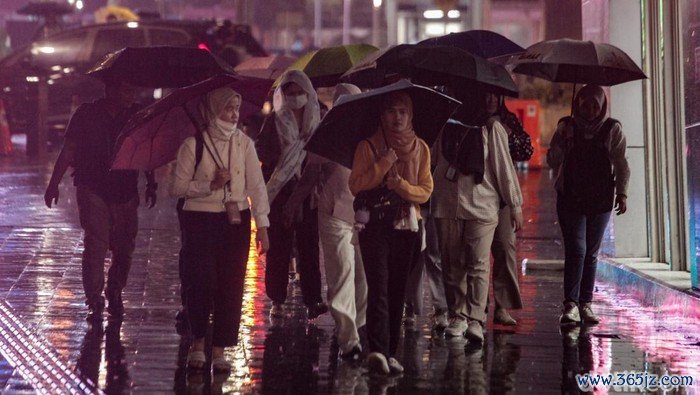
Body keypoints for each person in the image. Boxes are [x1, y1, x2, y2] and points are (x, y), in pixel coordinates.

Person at [171, 87, 270, 371]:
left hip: (235, 220)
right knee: (199, 281)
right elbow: (176, 187)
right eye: (227, 108)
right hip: (200, 219)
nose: (233, 114)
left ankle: (220, 349)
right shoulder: (194, 145)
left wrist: (262, 225)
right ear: (213, 110)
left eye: (236, 108)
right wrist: (209, 186)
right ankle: (198, 342)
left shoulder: (244, 144)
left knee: (231, 284)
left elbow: (257, 187)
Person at [44, 77, 156, 322]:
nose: (131, 96)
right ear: (111, 89)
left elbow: (146, 150)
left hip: (125, 190)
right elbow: (69, 149)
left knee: (124, 248)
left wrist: (151, 182)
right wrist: (53, 184)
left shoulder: (137, 115)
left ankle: (114, 289)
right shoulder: (87, 114)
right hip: (92, 186)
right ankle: (94, 297)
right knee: (95, 244)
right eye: (127, 90)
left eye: (133, 91)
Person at [349, 91, 433, 375]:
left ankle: (390, 351)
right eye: (390, 111)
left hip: (407, 226)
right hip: (375, 225)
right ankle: (377, 351)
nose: (396, 117)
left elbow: (425, 191)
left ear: (410, 116)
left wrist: (401, 186)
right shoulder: (368, 147)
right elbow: (356, 185)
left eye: (402, 112)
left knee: (397, 290)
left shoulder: (420, 148)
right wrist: (384, 162)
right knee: (379, 287)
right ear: (381, 115)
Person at [432, 88, 523, 344]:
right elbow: (432, 160)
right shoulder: (444, 126)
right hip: (447, 205)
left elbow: (504, 169)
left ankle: (475, 318)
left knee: (478, 263)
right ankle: (457, 315)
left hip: (482, 205)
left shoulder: (493, 129)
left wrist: (515, 205)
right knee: (451, 264)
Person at [284, 83, 367, 361]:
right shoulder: (328, 132)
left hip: (363, 215)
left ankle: (360, 328)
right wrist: (293, 203)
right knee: (341, 272)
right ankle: (349, 339)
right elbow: (310, 174)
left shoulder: (369, 133)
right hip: (333, 213)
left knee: (363, 279)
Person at [547, 84, 629, 325]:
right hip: (571, 197)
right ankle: (570, 304)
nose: (591, 109)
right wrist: (564, 141)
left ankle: (586, 304)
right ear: (578, 104)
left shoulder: (612, 129)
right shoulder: (566, 127)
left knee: (591, 254)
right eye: (585, 104)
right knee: (577, 249)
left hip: (600, 199)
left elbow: (622, 164)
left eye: (595, 104)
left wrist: (622, 194)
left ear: (602, 106)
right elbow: (552, 160)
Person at [256, 70, 327, 320]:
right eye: (290, 93)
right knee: (279, 248)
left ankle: (313, 299)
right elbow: (262, 152)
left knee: (309, 247)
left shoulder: (318, 120)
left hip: (309, 193)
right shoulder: (274, 121)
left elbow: (323, 158)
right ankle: (277, 297)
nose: (296, 98)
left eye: (300, 93)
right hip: (279, 191)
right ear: (282, 95)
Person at [485, 93, 534, 326]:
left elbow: (526, 150)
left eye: (494, 94)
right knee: (476, 254)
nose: (490, 99)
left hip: (503, 195)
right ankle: (479, 305)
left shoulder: (508, 120)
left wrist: (508, 136)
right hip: (479, 192)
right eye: (485, 94)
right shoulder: (469, 118)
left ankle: (502, 306)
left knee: (505, 246)